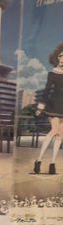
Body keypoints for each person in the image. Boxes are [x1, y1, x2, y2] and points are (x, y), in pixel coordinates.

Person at [34, 43, 63, 175]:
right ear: (57, 57)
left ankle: (52, 163)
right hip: (54, 105)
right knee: (55, 130)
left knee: (60, 135)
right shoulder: (52, 73)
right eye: (61, 56)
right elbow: (46, 90)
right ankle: (39, 160)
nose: (62, 59)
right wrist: (41, 107)